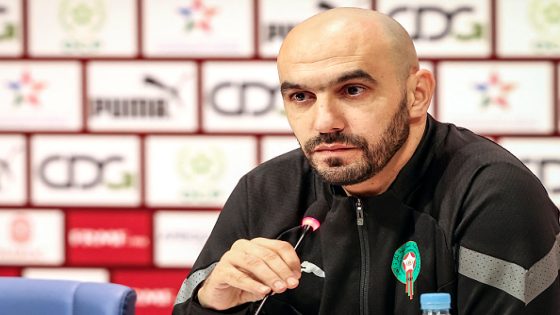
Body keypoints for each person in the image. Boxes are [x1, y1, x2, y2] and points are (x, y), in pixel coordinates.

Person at [172, 7, 560, 314]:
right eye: (301, 97)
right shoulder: (265, 191)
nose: (325, 123)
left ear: (417, 94)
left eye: (353, 90)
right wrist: (214, 305)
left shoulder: (492, 194)